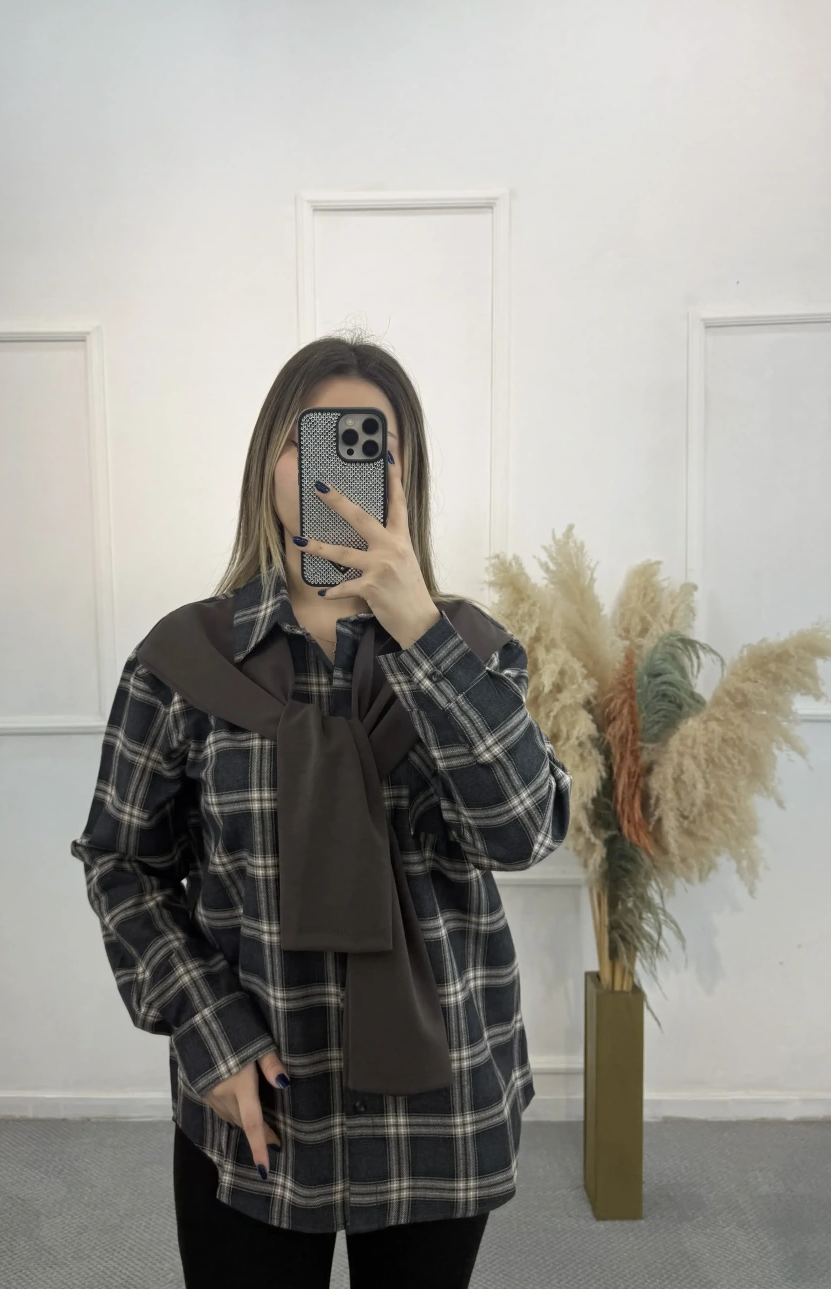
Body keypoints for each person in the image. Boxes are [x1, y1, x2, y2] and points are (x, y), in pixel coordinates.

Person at [70, 334, 572, 1288]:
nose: (337, 468)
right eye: (313, 439)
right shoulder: (183, 660)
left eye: (370, 444)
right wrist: (208, 1028)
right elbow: (122, 862)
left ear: (405, 477)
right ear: (270, 462)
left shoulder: (470, 649)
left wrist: (419, 631)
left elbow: (522, 828)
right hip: (257, 1099)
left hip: (436, 1112)